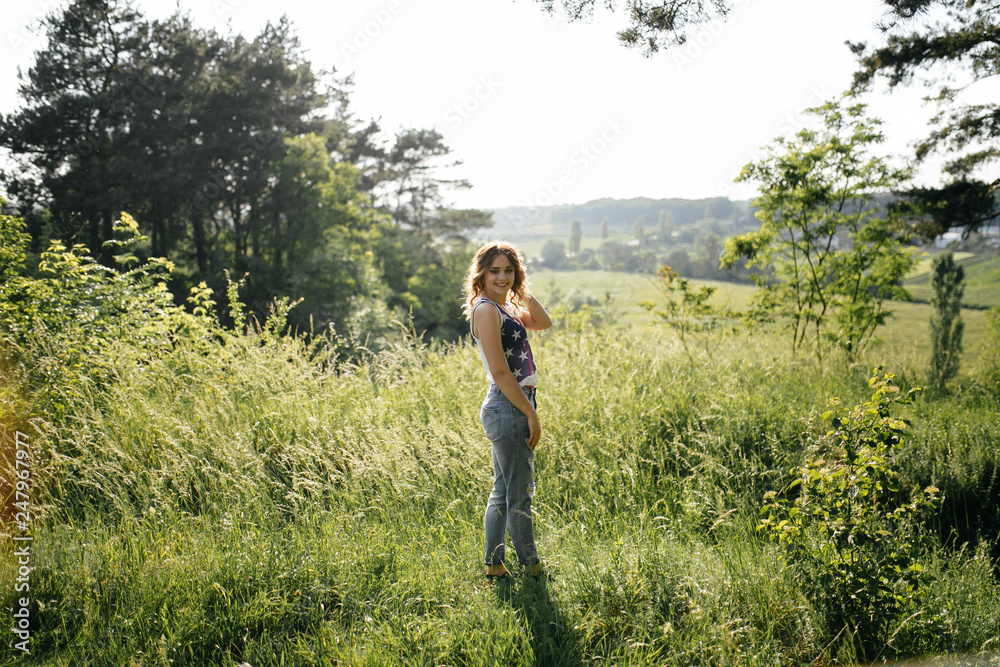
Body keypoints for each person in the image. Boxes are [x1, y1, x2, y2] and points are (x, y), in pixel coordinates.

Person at [463, 241, 553, 580]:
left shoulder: (506, 308)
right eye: (495, 270)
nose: (502, 276)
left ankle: (495, 565)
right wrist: (530, 413)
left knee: (504, 489)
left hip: (513, 401)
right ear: (482, 273)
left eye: (509, 270)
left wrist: (521, 290)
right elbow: (501, 372)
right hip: (509, 403)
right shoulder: (486, 310)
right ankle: (531, 566)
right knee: (519, 493)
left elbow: (543, 322)